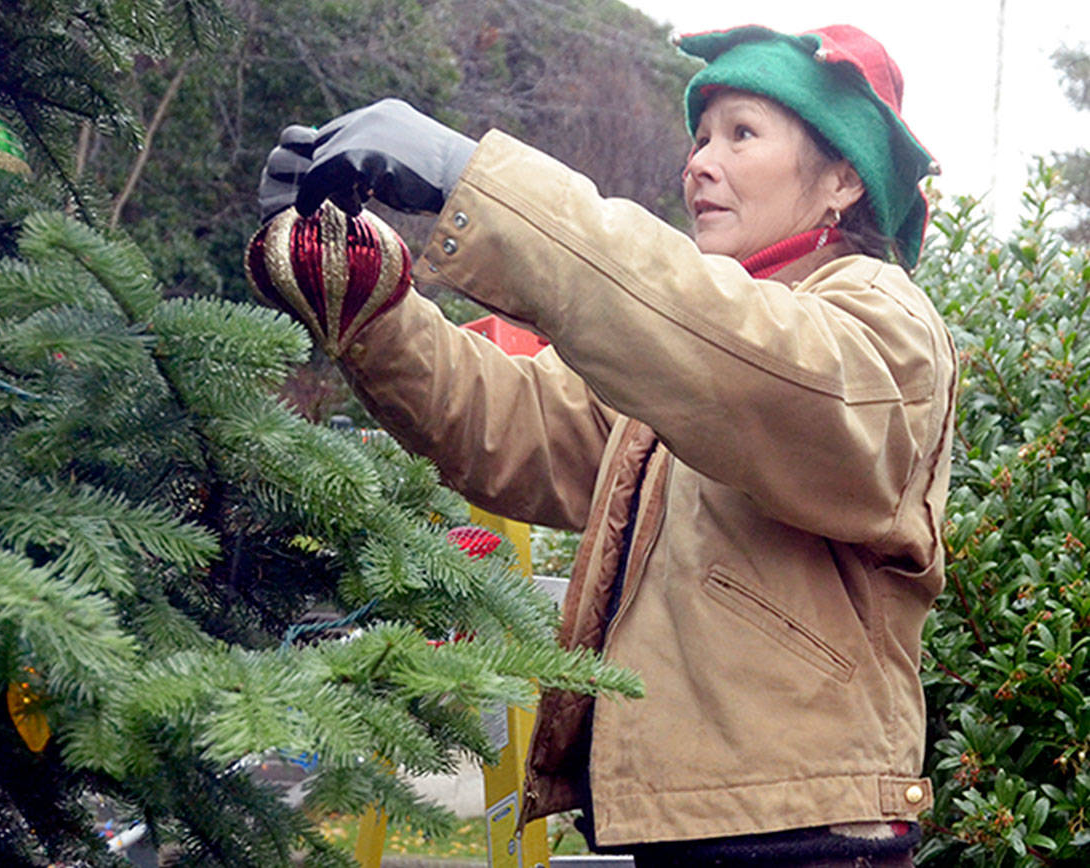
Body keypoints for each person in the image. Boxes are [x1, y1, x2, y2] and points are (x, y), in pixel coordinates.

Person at [256, 23, 956, 868]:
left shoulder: (880, 320)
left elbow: (743, 357)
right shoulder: (676, 354)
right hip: (692, 824)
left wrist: (469, 177)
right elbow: (511, 425)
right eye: (699, 138)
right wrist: (364, 297)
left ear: (844, 177)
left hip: (808, 833)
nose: (699, 162)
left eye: (741, 133)